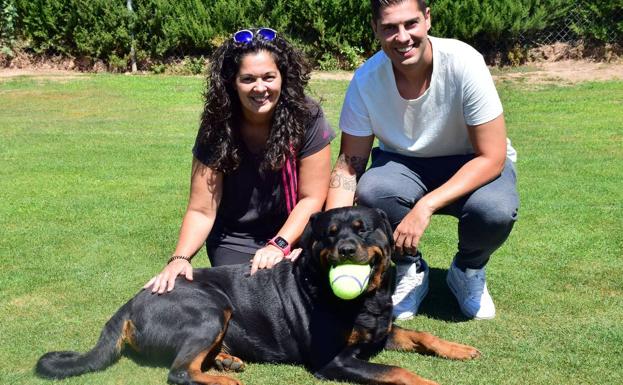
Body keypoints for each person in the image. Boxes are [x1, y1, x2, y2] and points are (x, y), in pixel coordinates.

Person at [325, 0, 519, 321]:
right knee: (375, 190)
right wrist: (332, 231)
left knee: (495, 209)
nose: (402, 37)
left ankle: (467, 270)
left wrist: (425, 206)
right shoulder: (365, 80)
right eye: (389, 27)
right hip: (405, 167)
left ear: (427, 19)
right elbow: (350, 165)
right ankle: (409, 267)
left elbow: (493, 156)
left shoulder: (464, 62)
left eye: (410, 23)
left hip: (473, 162)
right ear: (375, 29)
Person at [145, 28, 334, 293]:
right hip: (235, 238)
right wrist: (179, 258)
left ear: (283, 77)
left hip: (296, 232)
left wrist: (279, 244)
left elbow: (312, 198)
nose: (260, 88)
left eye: (269, 77)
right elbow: (202, 209)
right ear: (232, 82)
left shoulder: (307, 116)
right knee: (249, 298)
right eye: (248, 79)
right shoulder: (217, 125)